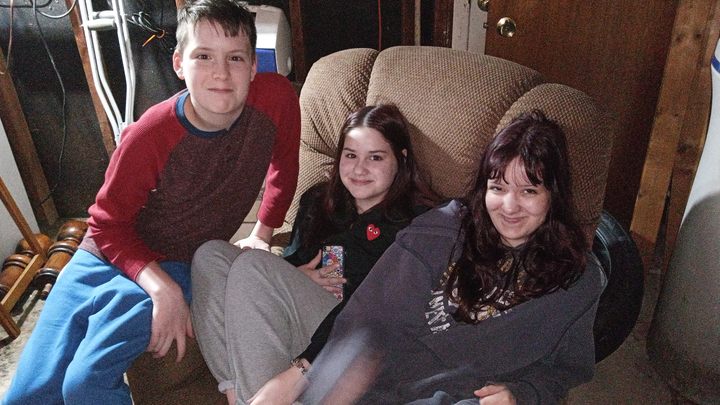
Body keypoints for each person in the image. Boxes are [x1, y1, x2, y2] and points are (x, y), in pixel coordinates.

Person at [1, 0, 300, 404]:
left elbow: (285, 164)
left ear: (252, 67)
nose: (220, 72)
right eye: (203, 56)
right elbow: (106, 224)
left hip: (178, 259)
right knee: (26, 395)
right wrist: (163, 290)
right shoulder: (150, 134)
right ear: (179, 64)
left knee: (84, 384)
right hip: (103, 254)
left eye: (235, 57)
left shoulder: (277, 98)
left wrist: (263, 232)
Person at [297, 110, 607, 405]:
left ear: (553, 195)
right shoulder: (444, 227)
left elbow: (565, 369)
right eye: (498, 188)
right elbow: (370, 318)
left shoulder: (575, 279)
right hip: (374, 382)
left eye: (529, 191)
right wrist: (319, 375)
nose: (510, 207)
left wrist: (523, 394)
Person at [190, 104, 442, 405]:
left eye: (375, 157)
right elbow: (288, 265)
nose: (359, 169)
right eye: (350, 155)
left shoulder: (420, 221)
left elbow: (389, 310)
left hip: (352, 337)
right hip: (302, 316)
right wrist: (297, 275)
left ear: (401, 159)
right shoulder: (319, 201)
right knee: (211, 255)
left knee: (253, 265)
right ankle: (239, 396)